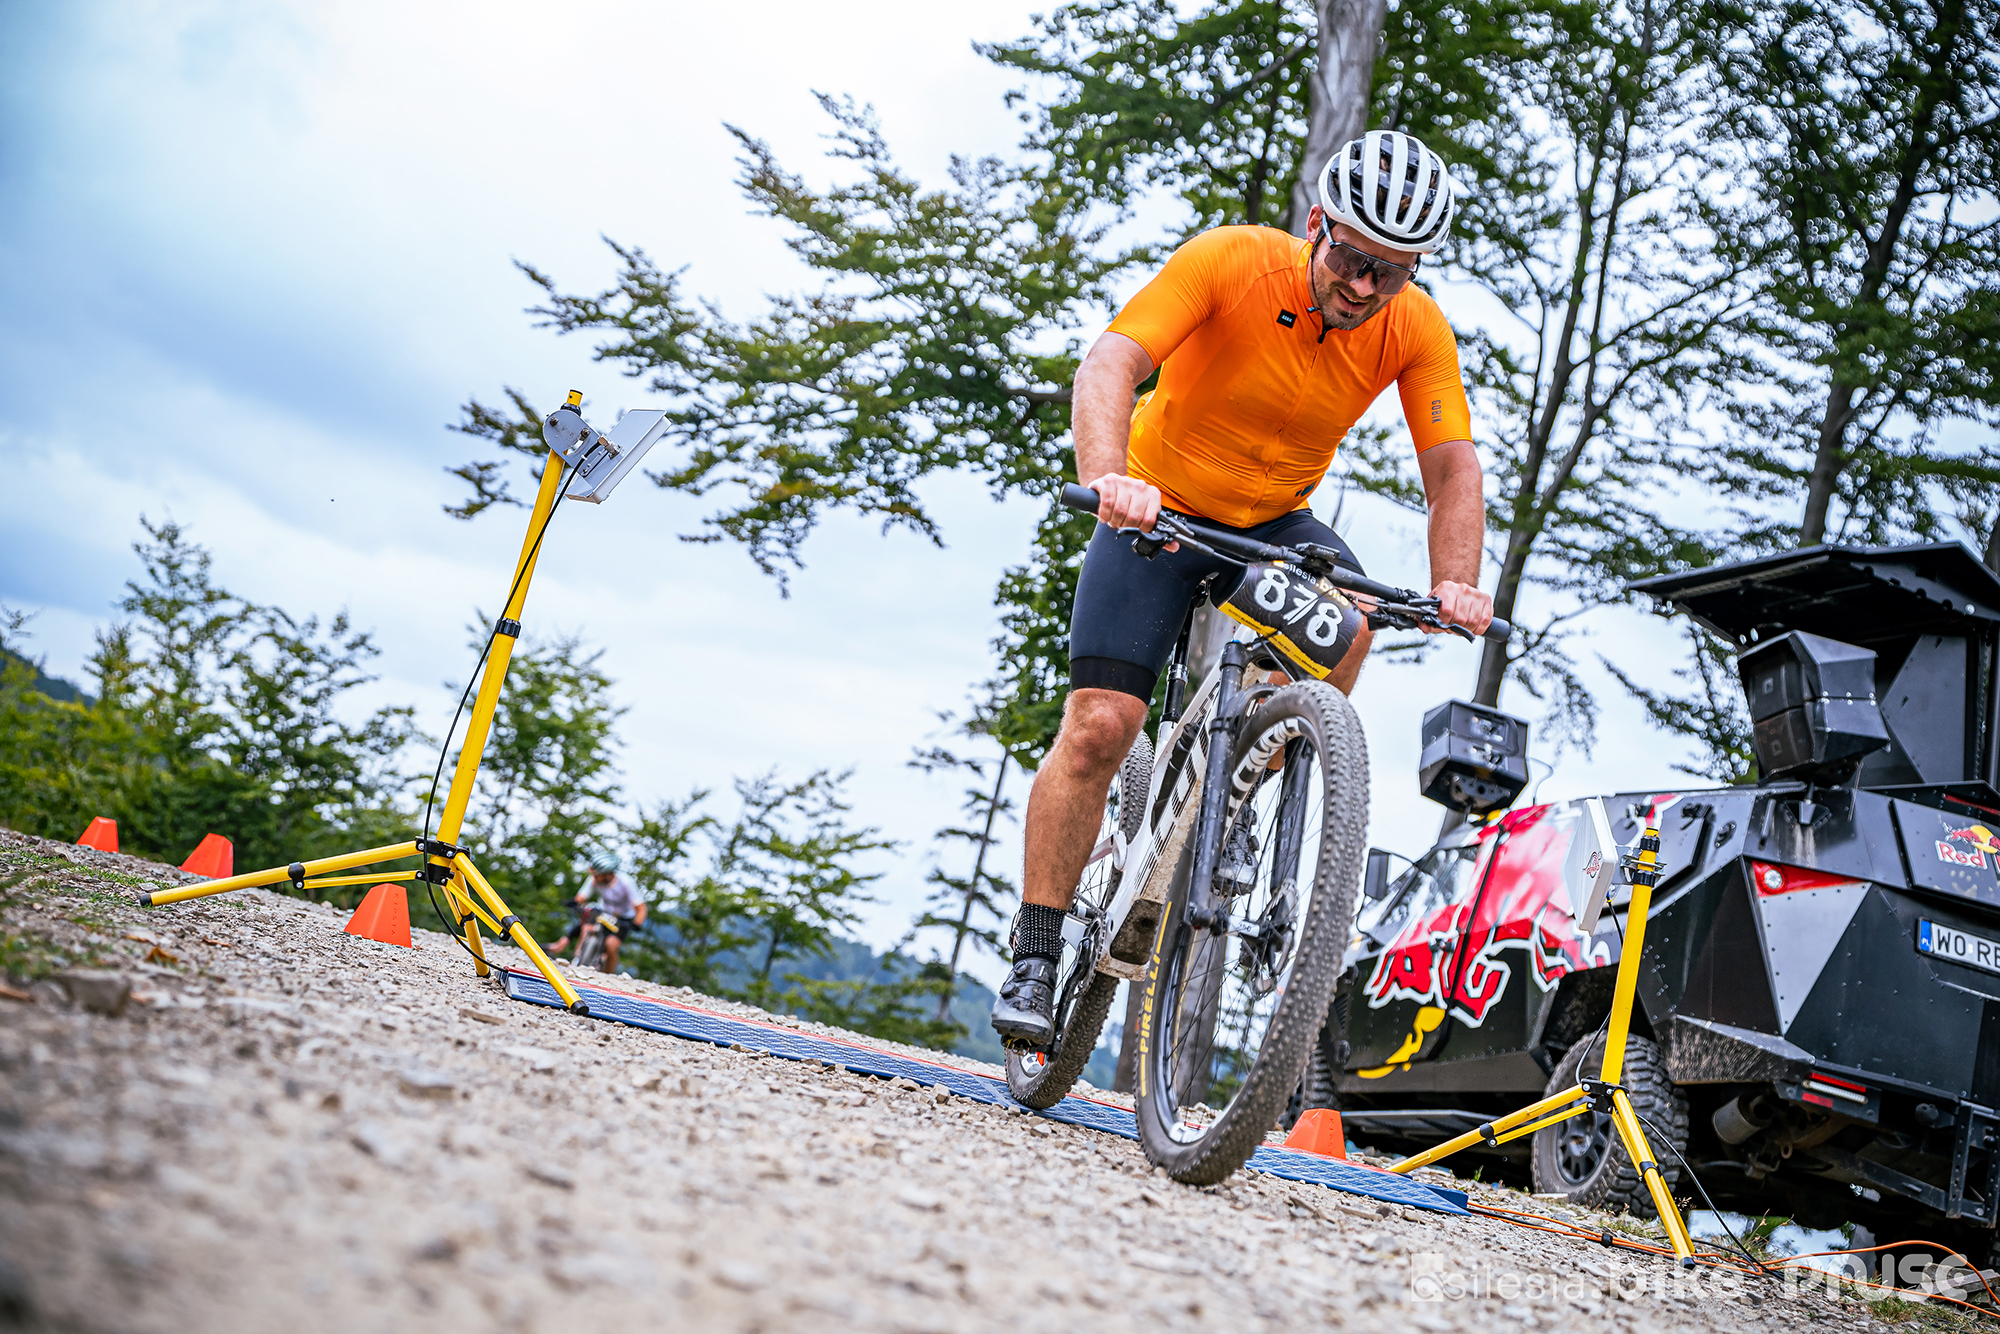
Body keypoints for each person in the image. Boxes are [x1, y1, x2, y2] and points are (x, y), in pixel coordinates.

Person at [991, 130, 1496, 1045]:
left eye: (1389, 273)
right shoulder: (1232, 261)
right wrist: (1110, 478)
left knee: (1349, 625)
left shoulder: (1413, 326)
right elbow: (1111, 362)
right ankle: (1036, 948)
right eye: (1350, 259)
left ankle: (1243, 780)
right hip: (1159, 509)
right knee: (1101, 725)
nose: (1362, 287)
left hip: (1269, 526)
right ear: (1318, 227)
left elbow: (1453, 468)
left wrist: (1455, 583)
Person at [545, 851, 647, 973]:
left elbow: (641, 908)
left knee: (611, 944)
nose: (593, 876)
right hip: (603, 912)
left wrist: (637, 923)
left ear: (607, 874)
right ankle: (570, 953)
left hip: (622, 918)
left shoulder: (625, 882)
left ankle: (609, 974)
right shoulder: (594, 879)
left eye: (596, 874)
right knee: (586, 925)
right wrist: (575, 902)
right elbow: (582, 896)